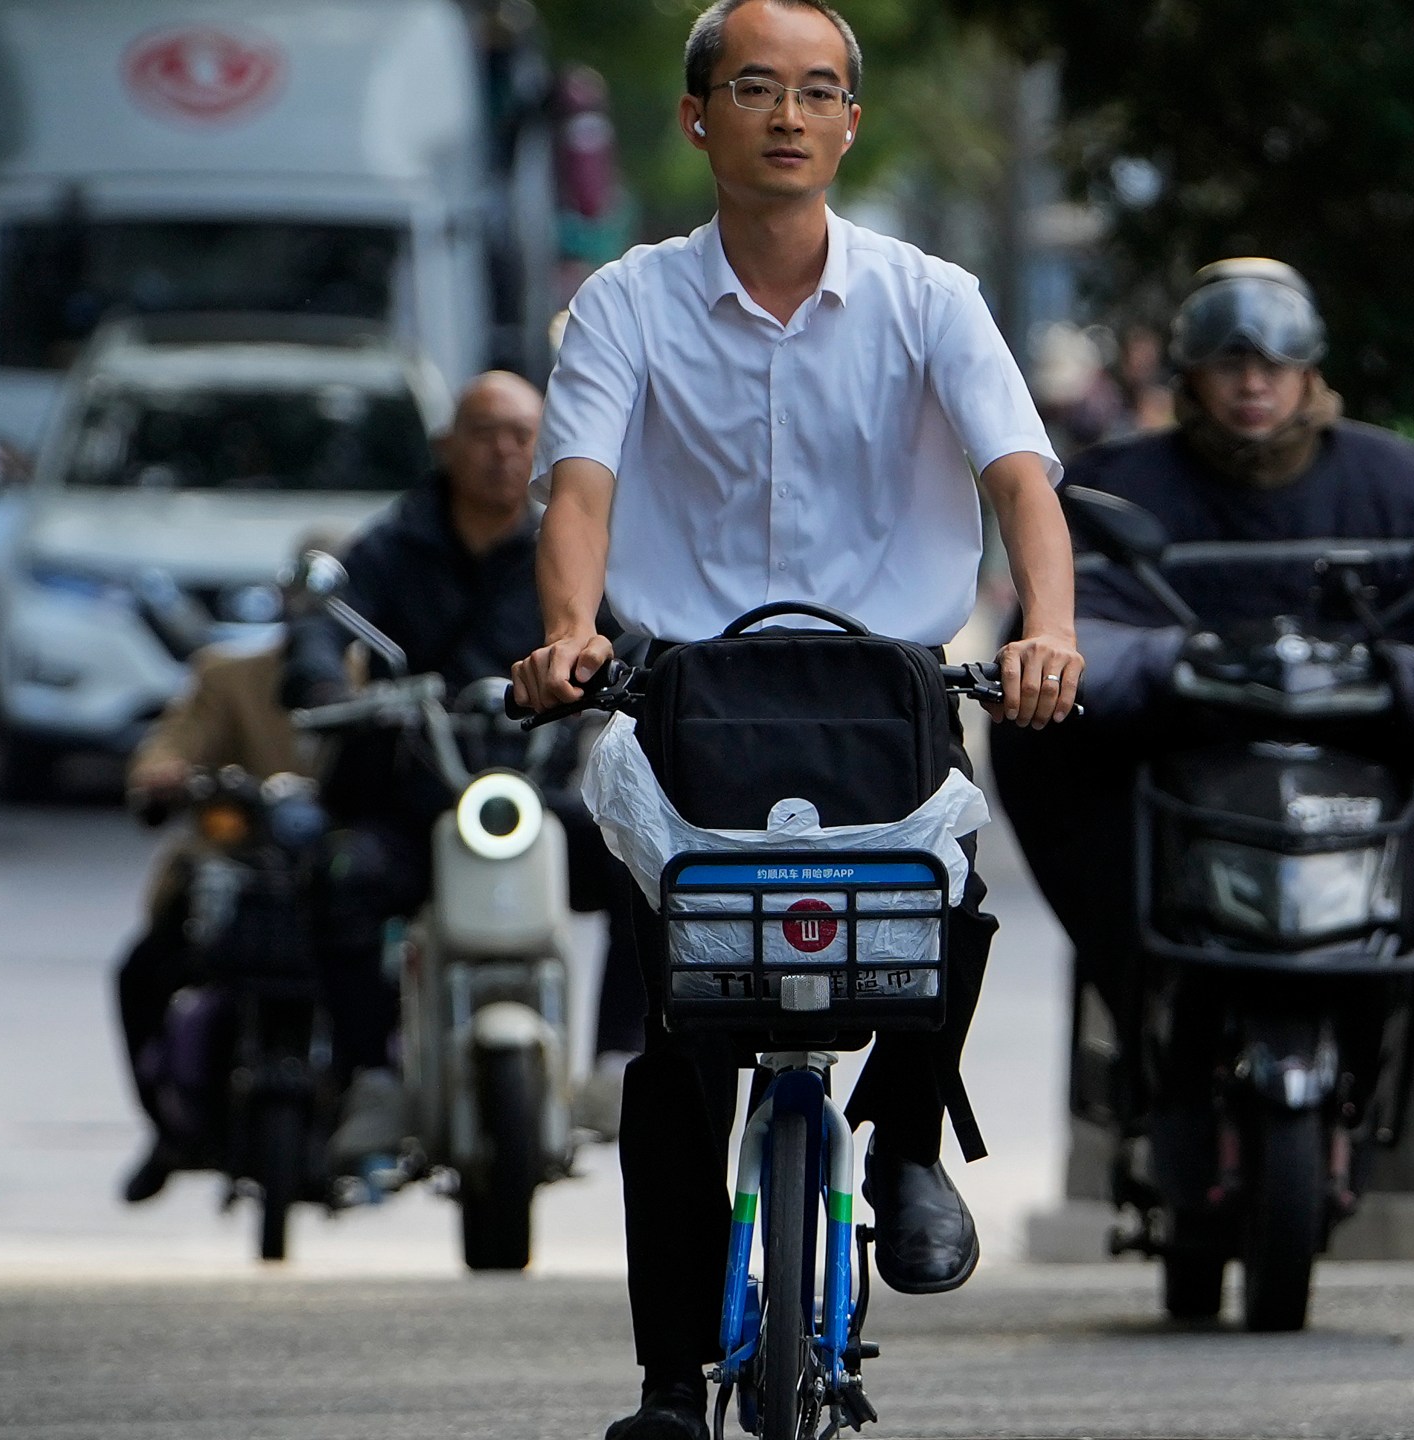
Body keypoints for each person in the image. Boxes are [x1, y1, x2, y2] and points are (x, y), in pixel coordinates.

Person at [504, 4, 1079, 1434]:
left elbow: (1020, 479)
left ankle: (898, 1149)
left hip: (893, 696)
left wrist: (1047, 631)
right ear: (698, 117)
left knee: (948, 909)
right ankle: (661, 1383)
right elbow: (578, 490)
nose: (788, 114)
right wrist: (572, 638)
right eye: (754, 88)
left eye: (819, 91)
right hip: (685, 701)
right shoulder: (628, 302)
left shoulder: (932, 296)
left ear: (848, 126)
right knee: (678, 1048)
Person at [991, 257, 1414, 1140]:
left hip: (1355, 776)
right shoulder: (1118, 486)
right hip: (1169, 777)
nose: (1254, 384)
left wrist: (1392, 674)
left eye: (1275, 366)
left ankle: (1383, 984)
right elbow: (1060, 631)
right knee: (1034, 730)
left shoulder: (1398, 482)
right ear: (1190, 376)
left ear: (1310, 372)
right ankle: (1138, 998)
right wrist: (1185, 663)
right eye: (1228, 365)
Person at [284, 371, 643, 1173]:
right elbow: (323, 622)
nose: (504, 451)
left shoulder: (570, 547)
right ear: (448, 445)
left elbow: (631, 628)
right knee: (339, 876)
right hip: (414, 799)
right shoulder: (390, 544)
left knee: (640, 870)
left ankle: (618, 1063)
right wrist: (314, 674)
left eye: (522, 435)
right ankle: (368, 1076)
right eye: (485, 433)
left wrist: (643, 674)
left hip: (537, 793)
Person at [113, 593, 313, 1202]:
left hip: (340, 881)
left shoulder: (388, 680)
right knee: (141, 974)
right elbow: (171, 745)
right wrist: (164, 772)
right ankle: (169, 1126)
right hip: (232, 876)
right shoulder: (229, 677)